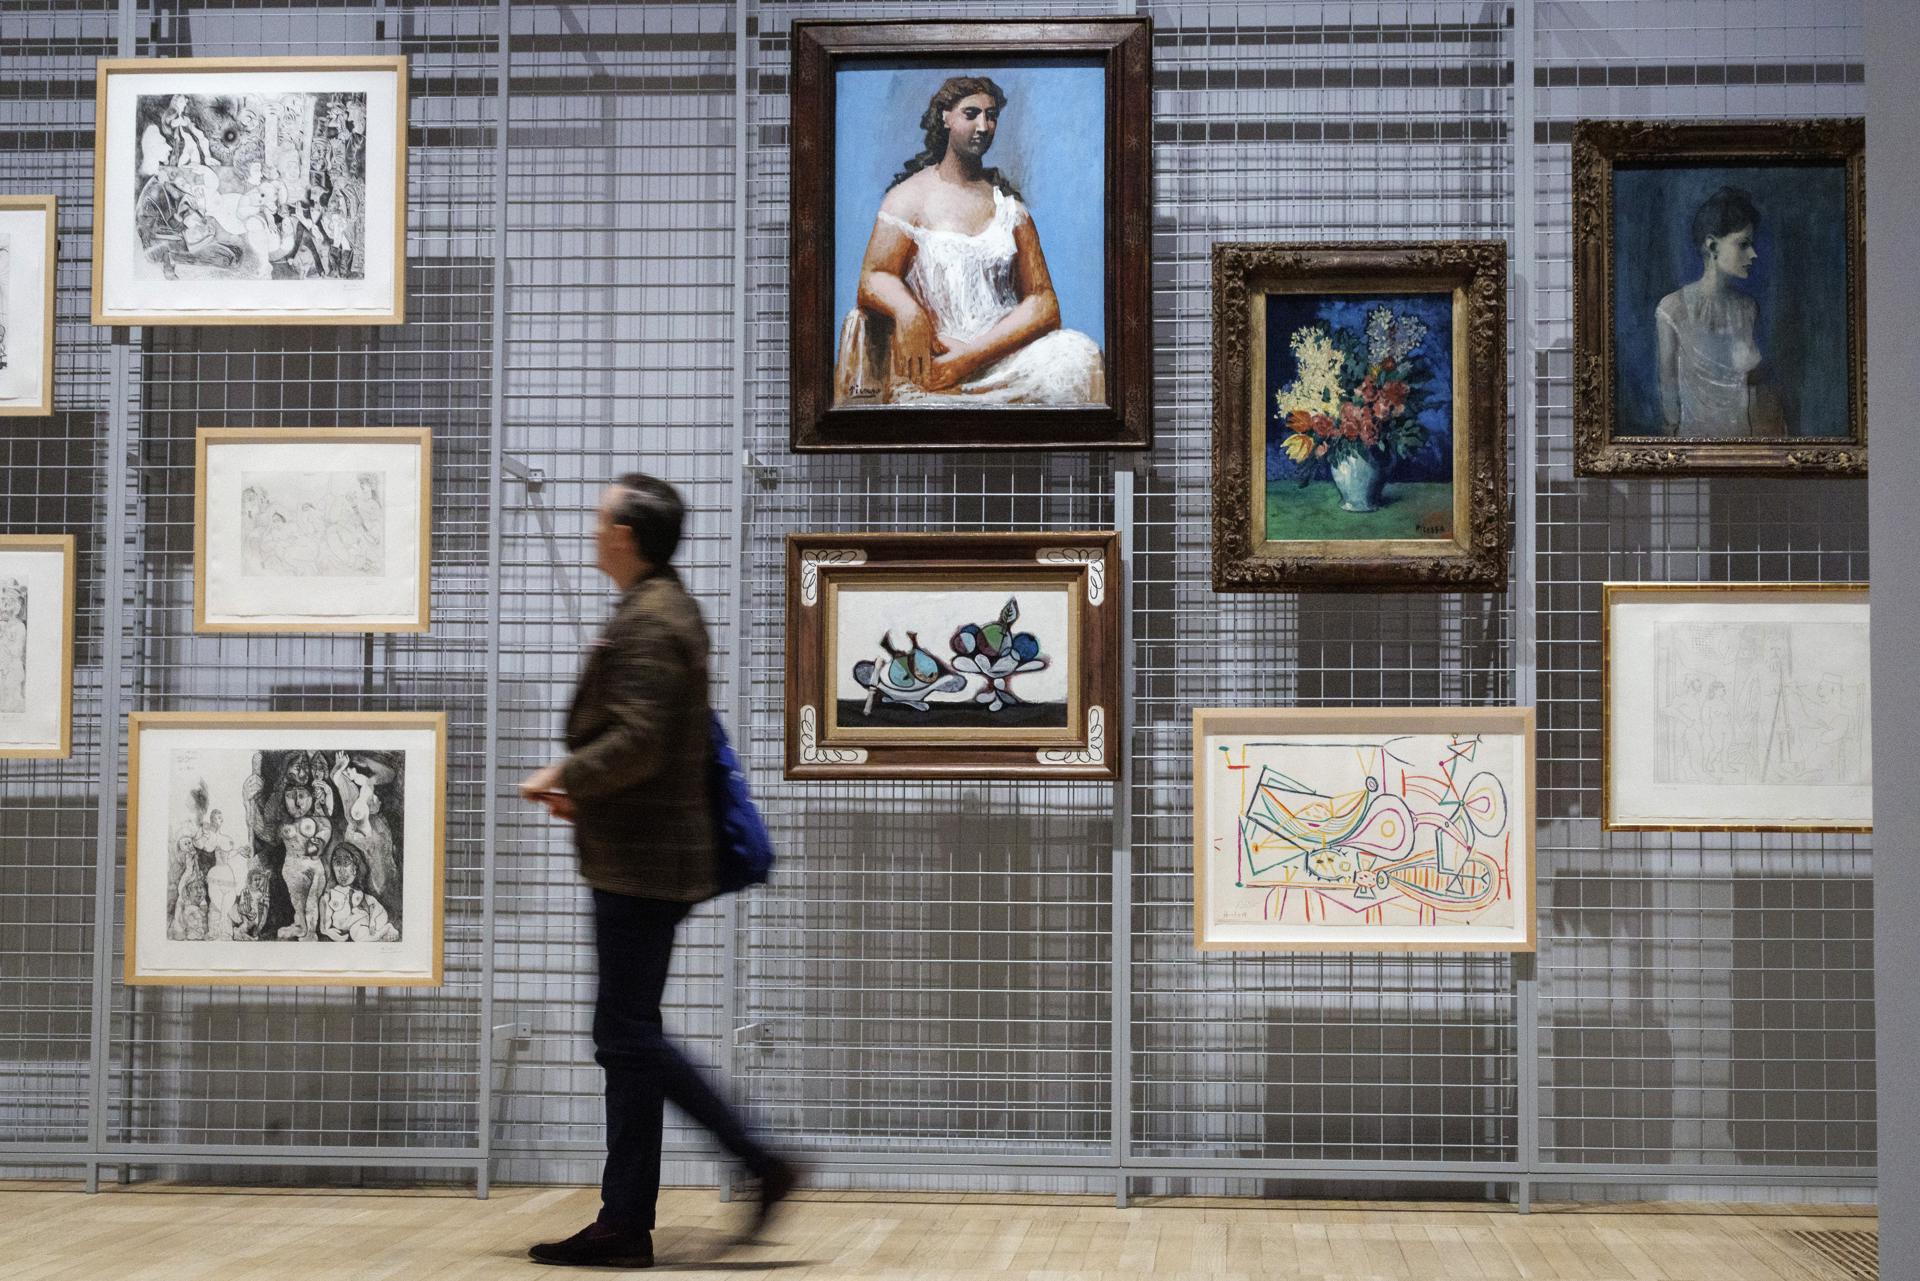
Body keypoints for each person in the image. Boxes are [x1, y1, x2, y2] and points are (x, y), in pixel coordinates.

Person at [520, 473, 797, 1269]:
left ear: (626, 534)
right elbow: (656, 743)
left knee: (627, 1033)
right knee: (626, 1035)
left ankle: (756, 1160)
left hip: (641, 864)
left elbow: (638, 740)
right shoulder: (658, 606)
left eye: (599, 517)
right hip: (639, 851)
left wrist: (567, 774)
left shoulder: (651, 618)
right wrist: (587, 791)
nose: (591, 528)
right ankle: (625, 1221)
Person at [833, 75, 1104, 407]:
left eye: (991, 116)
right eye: (971, 114)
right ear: (945, 117)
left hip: (1000, 357)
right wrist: (909, 311)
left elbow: (1043, 301)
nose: (983, 126)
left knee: (1082, 357)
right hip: (937, 357)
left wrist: (969, 357)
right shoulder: (907, 198)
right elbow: (874, 276)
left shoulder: (1010, 209)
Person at [1655, 185, 1784, 437]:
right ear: (1713, 246)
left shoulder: (1748, 308)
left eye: (1751, 244)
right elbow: (1668, 391)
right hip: (1693, 444)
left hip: (1744, 442)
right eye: (1743, 244)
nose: (1753, 254)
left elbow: (1752, 390)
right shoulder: (1672, 309)